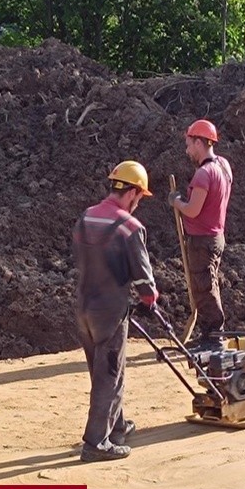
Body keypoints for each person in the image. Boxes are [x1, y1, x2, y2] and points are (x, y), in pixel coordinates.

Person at [73, 161, 159, 463]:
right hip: (110, 312)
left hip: (83, 307)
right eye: (139, 198)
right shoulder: (130, 227)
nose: (138, 204)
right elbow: (144, 280)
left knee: (99, 372)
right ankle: (96, 442)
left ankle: (117, 425)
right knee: (112, 375)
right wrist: (149, 300)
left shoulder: (85, 218)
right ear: (133, 192)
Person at [168, 119, 233, 348]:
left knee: (204, 288)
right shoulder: (224, 166)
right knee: (205, 286)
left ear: (199, 142)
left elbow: (193, 210)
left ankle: (215, 336)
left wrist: (177, 202)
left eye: (189, 145)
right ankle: (208, 334)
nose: (187, 151)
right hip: (216, 236)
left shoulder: (204, 174)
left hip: (203, 240)